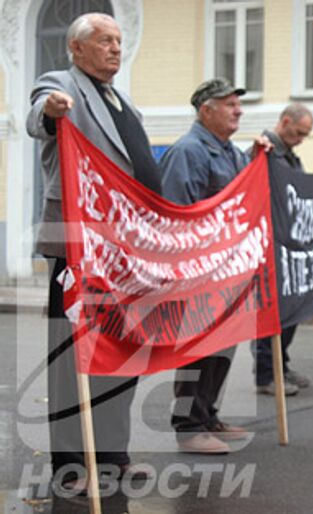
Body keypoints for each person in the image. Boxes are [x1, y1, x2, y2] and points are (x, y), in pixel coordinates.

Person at [26, 12, 160, 488]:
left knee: (123, 349)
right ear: (77, 49)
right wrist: (52, 109)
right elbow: (39, 115)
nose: (115, 48)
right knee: (72, 357)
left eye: (119, 40)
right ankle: (70, 466)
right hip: (79, 246)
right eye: (104, 41)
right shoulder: (61, 83)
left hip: (125, 251)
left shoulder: (121, 98)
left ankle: (113, 454)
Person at [160, 78, 262, 453]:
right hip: (201, 271)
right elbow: (176, 214)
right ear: (206, 111)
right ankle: (188, 427)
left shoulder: (229, 151)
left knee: (222, 347)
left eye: (238, 104)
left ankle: (207, 415)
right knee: (197, 350)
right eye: (229, 104)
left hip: (227, 269)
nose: (238, 110)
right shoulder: (189, 151)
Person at [250, 103, 313, 396]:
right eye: (299, 132)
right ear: (285, 122)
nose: (301, 139)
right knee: (272, 314)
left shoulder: (289, 155)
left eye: (305, 135)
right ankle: (266, 373)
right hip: (271, 246)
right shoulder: (263, 151)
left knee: (290, 312)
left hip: (289, 245)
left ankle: (281, 364)